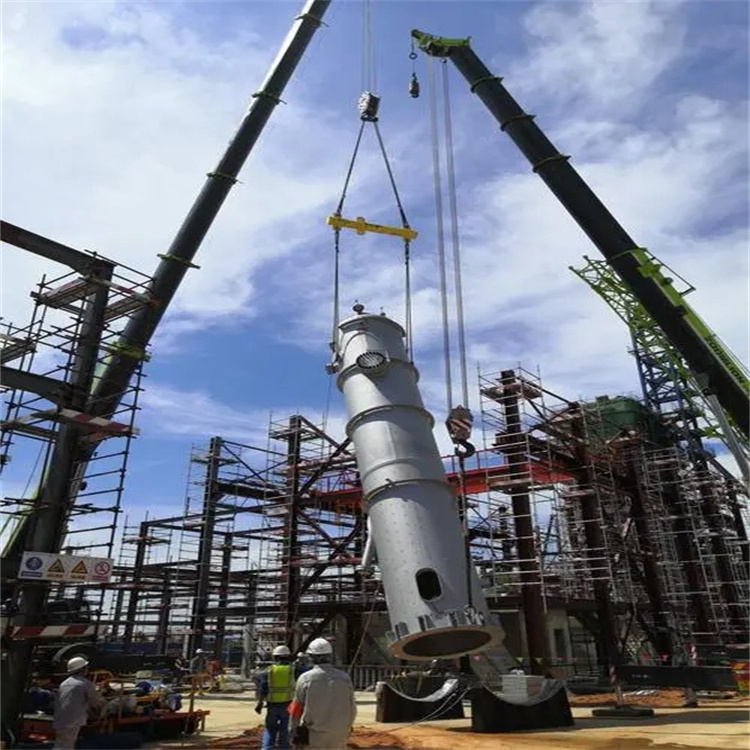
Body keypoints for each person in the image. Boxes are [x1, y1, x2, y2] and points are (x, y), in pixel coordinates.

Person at [288, 638, 356, 750]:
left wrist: (293, 730)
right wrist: (347, 727)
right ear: (330, 656)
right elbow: (352, 708)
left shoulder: (305, 679)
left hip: (315, 734)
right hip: (339, 733)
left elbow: (296, 709)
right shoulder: (344, 678)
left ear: (311, 657)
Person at [52, 657, 105, 750]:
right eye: (86, 667)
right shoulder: (85, 684)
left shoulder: (64, 683)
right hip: (73, 720)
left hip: (60, 719)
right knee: (65, 746)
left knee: (61, 744)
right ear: (82, 669)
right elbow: (95, 702)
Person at [255, 645, 300, 750]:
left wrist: (260, 704)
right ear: (288, 657)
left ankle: (267, 748)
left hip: (272, 706)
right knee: (285, 730)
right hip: (289, 706)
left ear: (275, 657)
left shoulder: (268, 671)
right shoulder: (294, 670)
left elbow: (263, 690)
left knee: (270, 729)